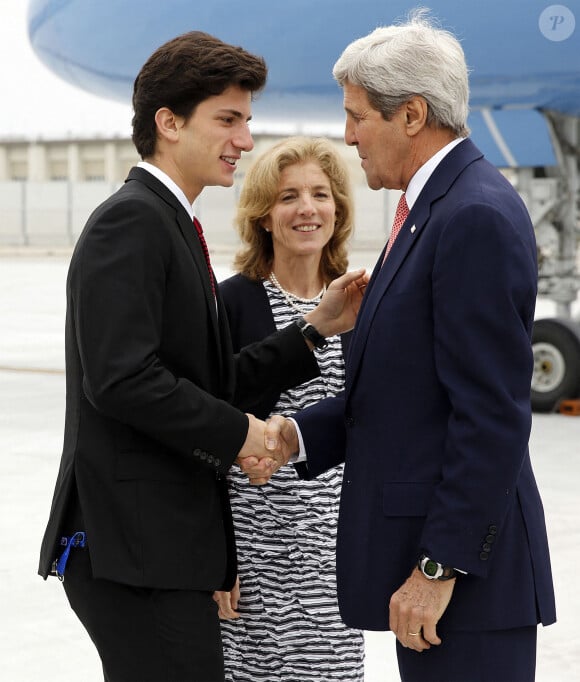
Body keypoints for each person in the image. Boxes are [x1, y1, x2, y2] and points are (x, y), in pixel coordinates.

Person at [37, 32, 367, 682]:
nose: (245, 139)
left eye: (246, 121)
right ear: (169, 123)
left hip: (160, 553)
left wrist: (312, 330)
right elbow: (122, 378)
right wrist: (242, 431)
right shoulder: (131, 222)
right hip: (132, 554)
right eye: (228, 119)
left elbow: (213, 383)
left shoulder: (174, 224)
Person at [243, 11, 557, 682]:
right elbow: (404, 392)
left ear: (411, 115)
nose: (348, 134)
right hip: (439, 583)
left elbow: (491, 415)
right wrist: (298, 436)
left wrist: (438, 567)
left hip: (466, 584)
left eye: (358, 116)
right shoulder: (427, 211)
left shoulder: (469, 215)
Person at [214, 136, 365, 681]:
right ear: (264, 217)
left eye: (321, 194)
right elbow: (205, 432)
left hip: (334, 552)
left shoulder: (361, 303)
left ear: (338, 210)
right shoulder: (232, 302)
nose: (308, 208)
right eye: (288, 197)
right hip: (251, 554)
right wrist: (217, 559)